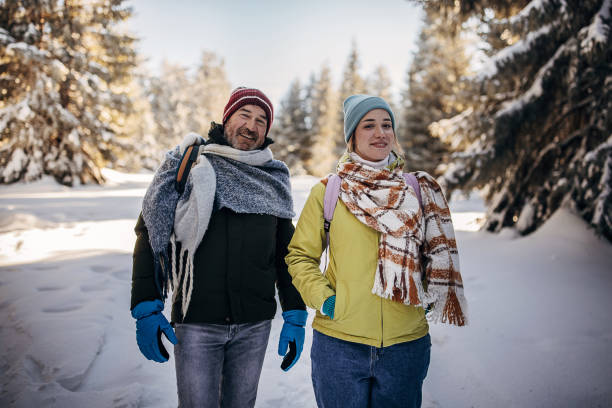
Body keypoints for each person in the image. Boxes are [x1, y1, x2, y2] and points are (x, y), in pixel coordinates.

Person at [285, 94, 468, 408]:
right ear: (352, 136)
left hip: (405, 345)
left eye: (386, 125)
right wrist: (326, 301)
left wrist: (425, 298)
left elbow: (435, 257)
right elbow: (300, 256)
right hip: (339, 344)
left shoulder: (418, 190)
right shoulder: (329, 191)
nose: (380, 133)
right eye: (368, 125)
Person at [130, 87, 307, 408]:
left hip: (254, 326)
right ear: (227, 118)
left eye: (261, 120)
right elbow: (150, 233)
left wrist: (295, 312)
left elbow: (286, 255)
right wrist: (146, 305)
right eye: (244, 114)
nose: (251, 126)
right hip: (196, 322)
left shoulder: (273, 177)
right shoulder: (190, 165)